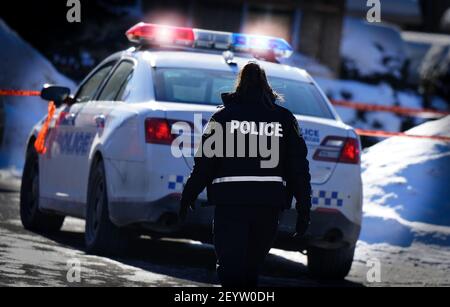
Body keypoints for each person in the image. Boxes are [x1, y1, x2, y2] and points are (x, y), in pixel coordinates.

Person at [180, 62, 311, 287]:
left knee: (230, 268)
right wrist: (304, 207)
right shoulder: (284, 119)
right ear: (266, 86)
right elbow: (298, 167)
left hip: (230, 205)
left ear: (239, 85)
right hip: (267, 207)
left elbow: (204, 164)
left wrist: (188, 195)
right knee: (251, 268)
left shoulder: (222, 118)